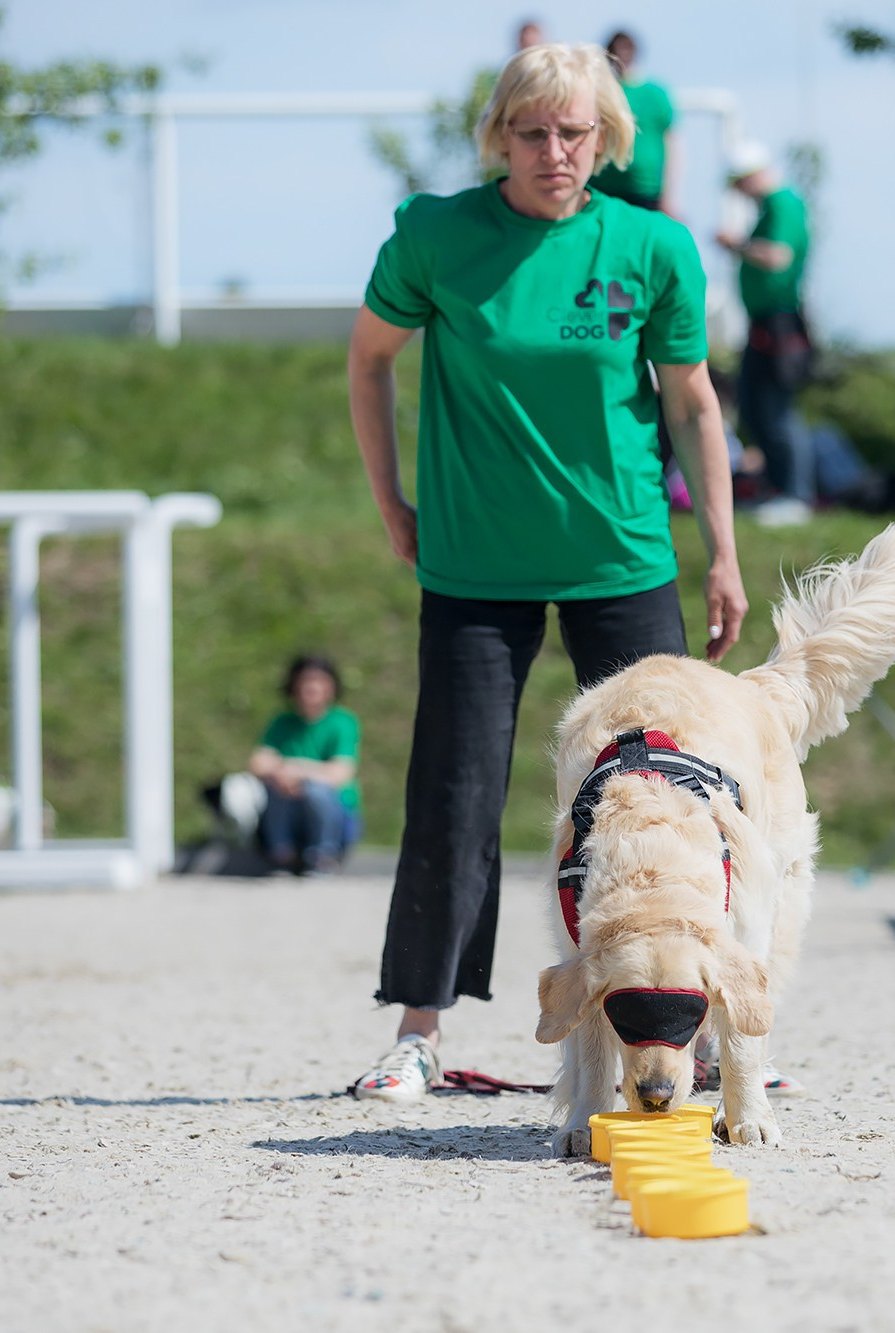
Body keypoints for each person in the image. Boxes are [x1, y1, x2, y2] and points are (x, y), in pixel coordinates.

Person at [344, 42, 747, 1102]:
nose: (553, 152)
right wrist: (391, 501)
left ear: (607, 139)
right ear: (499, 138)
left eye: (574, 132)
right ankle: (418, 1031)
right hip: (476, 562)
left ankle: (691, 1027)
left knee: (664, 798)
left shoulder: (653, 246)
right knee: (453, 790)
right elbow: (369, 359)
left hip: (622, 552)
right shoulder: (436, 236)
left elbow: (693, 401)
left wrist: (723, 553)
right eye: (531, 133)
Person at [718, 142, 814, 526]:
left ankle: (796, 495)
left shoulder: (783, 204)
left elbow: (778, 257)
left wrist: (736, 245)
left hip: (780, 322)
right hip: (763, 322)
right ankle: (777, 491)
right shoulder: (772, 206)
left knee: (776, 410)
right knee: (755, 406)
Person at [249, 655, 361, 875]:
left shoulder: (342, 722)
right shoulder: (283, 722)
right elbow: (258, 762)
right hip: (291, 809)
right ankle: (281, 854)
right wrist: (282, 775)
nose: (311, 687)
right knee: (276, 786)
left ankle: (323, 856)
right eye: (305, 680)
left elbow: (341, 772)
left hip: (337, 817)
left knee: (315, 790)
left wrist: (297, 772)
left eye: (319, 680)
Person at [590, 31, 675, 215]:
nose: (622, 52)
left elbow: (672, 143)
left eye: (627, 47)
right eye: (617, 47)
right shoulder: (599, 92)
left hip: (645, 189)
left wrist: (669, 195)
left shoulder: (656, 94)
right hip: (603, 185)